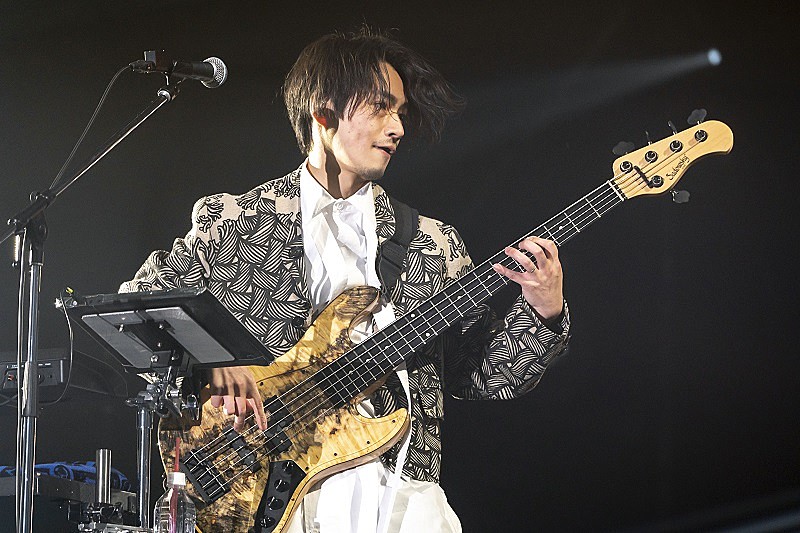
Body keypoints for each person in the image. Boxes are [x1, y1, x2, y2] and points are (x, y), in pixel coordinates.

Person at [120, 27, 570, 533]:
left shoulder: (433, 244)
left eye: (400, 112)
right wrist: (217, 358)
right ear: (323, 112)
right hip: (269, 494)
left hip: (400, 495)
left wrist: (544, 309)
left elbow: (482, 375)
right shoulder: (234, 222)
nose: (397, 128)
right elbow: (136, 307)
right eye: (381, 108)